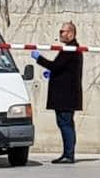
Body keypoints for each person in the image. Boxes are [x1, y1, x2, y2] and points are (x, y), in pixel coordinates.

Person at [32, 22, 84, 164]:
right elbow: (62, 69)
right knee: (65, 124)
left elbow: (56, 66)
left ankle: (68, 154)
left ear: (71, 34)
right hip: (65, 95)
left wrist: (39, 58)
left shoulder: (71, 50)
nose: (60, 34)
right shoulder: (70, 49)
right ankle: (67, 153)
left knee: (66, 124)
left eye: (63, 31)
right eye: (60, 31)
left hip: (66, 95)